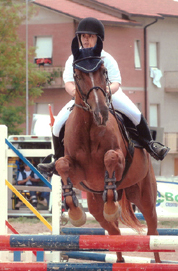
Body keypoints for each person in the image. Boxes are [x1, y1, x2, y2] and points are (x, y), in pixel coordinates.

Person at [38, 17, 170, 175]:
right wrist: (76, 93)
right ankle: (57, 161)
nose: (86, 40)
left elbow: (116, 83)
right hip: (81, 98)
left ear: (98, 38)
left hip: (110, 95)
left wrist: (103, 92)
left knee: (135, 114)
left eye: (90, 36)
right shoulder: (72, 59)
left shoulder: (107, 58)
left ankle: (151, 145)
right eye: (83, 36)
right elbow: (68, 83)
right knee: (58, 124)